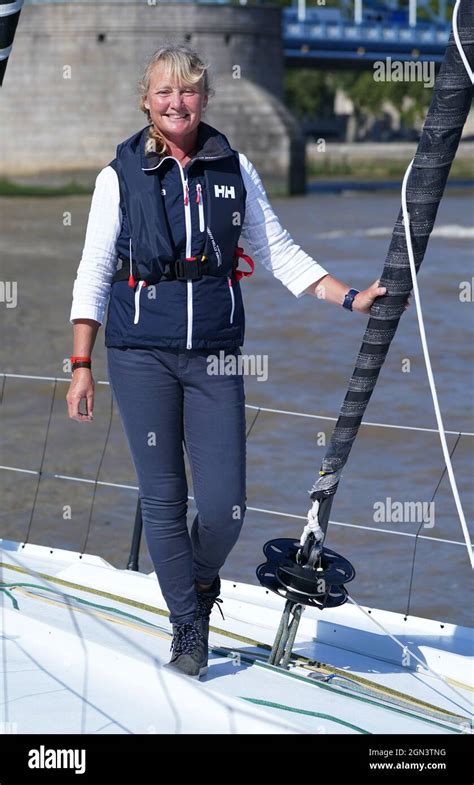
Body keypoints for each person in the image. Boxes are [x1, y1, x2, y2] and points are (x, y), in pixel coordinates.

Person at [67, 45, 391, 680]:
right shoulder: (120, 175)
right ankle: (188, 625)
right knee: (163, 497)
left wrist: (350, 297)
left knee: (225, 507)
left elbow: (279, 251)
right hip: (140, 354)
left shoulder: (234, 168)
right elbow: (94, 271)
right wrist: (82, 361)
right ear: (146, 99)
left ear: (205, 98)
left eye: (188, 91)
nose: (175, 103)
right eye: (164, 92)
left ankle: (196, 578)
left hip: (214, 355)